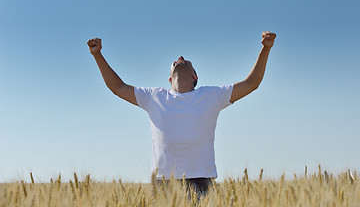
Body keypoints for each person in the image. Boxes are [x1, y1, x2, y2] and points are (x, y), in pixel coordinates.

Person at [87, 31, 277, 193]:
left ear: (195, 76)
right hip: (164, 183)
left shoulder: (211, 95)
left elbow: (251, 84)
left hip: (202, 182)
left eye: (185, 60)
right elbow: (118, 88)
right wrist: (97, 55)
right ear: (169, 79)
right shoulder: (154, 96)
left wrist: (265, 48)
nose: (180, 58)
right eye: (176, 61)